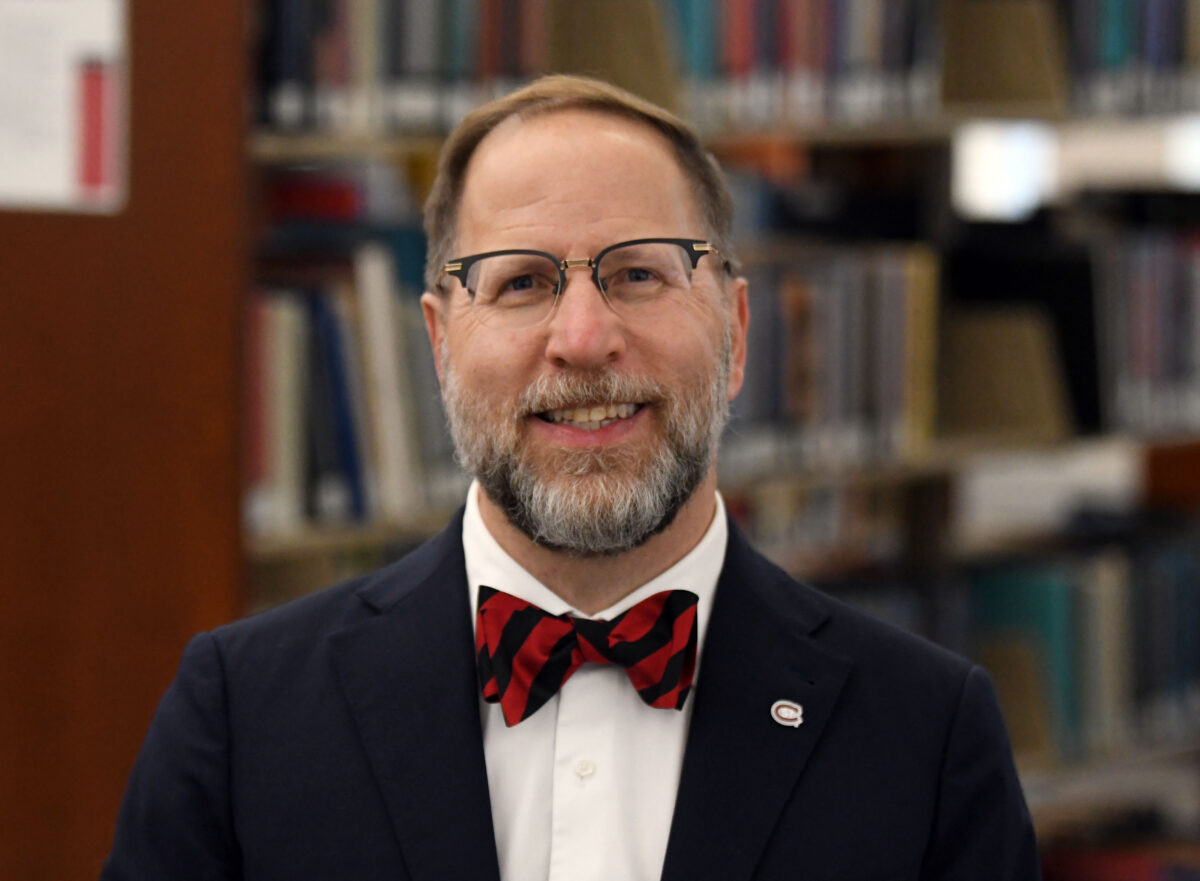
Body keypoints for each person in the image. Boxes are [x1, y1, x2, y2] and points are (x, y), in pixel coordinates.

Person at [102, 75, 1040, 881]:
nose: (584, 338)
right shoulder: (241, 714)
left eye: (638, 274)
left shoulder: (926, 735)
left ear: (739, 331)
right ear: (438, 343)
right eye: (521, 283)